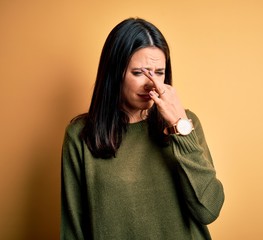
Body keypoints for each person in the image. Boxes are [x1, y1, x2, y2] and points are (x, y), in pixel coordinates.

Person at [61, 17, 224, 240]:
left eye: (159, 72)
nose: (151, 84)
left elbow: (208, 209)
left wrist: (179, 127)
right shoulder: (80, 135)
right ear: (114, 73)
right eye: (139, 73)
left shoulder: (186, 123)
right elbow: (73, 228)